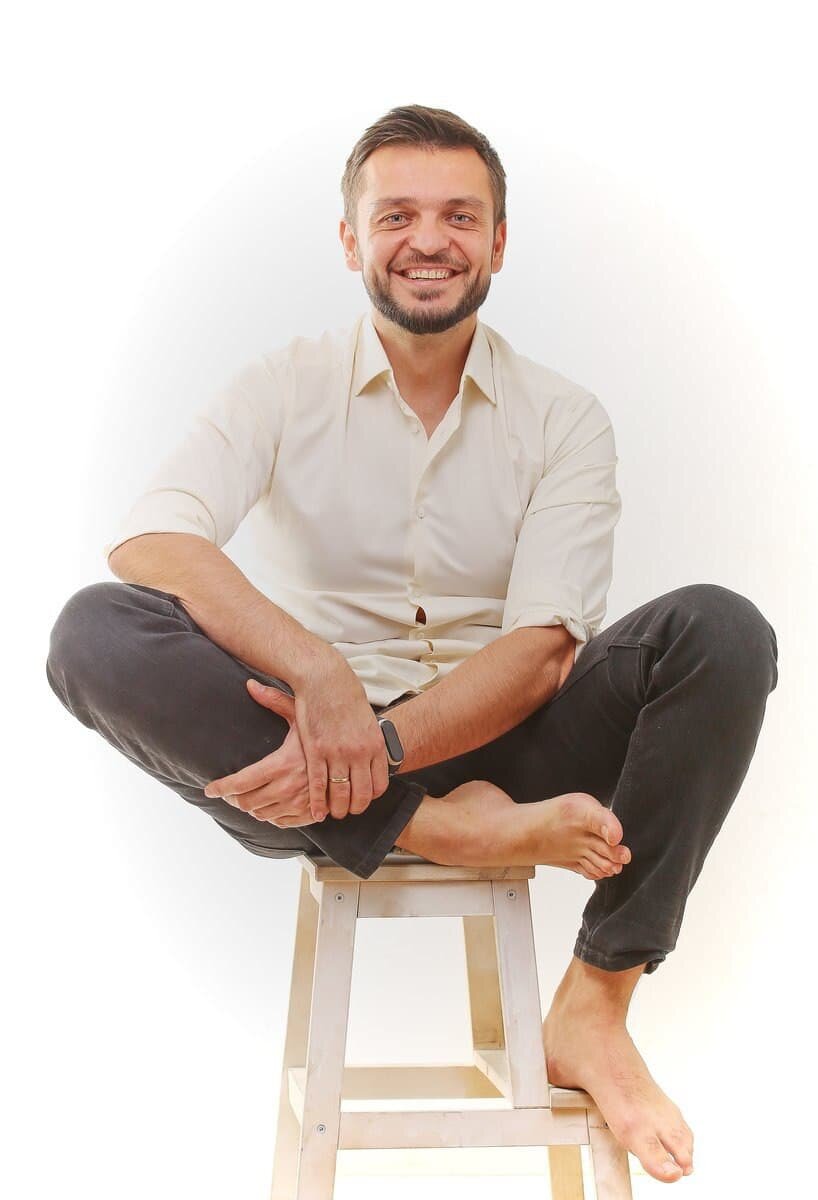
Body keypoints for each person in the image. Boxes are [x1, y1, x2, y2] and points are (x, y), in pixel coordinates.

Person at [45, 104, 778, 1184]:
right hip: (299, 751)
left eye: (459, 216)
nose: (427, 240)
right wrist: (320, 675)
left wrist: (377, 749)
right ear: (351, 240)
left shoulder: (563, 417)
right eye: (395, 215)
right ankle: (442, 829)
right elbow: (154, 540)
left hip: (492, 754)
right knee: (91, 629)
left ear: (498, 241)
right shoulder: (281, 385)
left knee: (722, 630)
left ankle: (595, 1001)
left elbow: (543, 652)